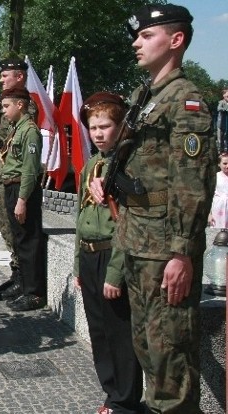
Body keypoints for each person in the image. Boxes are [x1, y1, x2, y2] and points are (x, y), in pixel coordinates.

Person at [90, 5, 215, 412]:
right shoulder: (146, 96)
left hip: (165, 248)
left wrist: (183, 252)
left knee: (170, 356)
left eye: (146, 36)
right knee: (146, 345)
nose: (135, 42)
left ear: (175, 40)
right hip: (138, 239)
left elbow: (193, 185)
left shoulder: (186, 101)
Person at [74, 92, 143, 414]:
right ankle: (111, 395)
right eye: (93, 127)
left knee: (118, 333)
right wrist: (77, 264)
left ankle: (125, 402)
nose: (99, 133)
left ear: (120, 127)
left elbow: (126, 224)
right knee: (99, 332)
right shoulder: (91, 164)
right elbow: (81, 216)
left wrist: (115, 273)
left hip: (111, 256)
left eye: (105, 126)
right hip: (89, 256)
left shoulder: (126, 166)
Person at [0, 57, 30, 300]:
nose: (1, 80)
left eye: (5, 75)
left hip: (11, 172)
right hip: (0, 169)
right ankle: (15, 274)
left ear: (19, 76)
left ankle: (23, 278)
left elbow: (17, 139)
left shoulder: (25, 105)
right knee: (4, 223)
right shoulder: (4, 99)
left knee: (13, 226)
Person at [0, 87, 45, 311]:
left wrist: (22, 199)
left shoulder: (30, 131)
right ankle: (26, 287)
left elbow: (29, 169)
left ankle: (34, 293)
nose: (3, 110)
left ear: (20, 105)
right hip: (12, 188)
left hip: (22, 189)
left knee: (29, 240)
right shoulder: (16, 129)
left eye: (7, 106)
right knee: (20, 240)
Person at [209, 153, 228, 228]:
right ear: (219, 164)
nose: (227, 166)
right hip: (218, 210)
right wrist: (209, 214)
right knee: (219, 236)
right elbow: (210, 196)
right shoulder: (215, 177)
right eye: (224, 163)